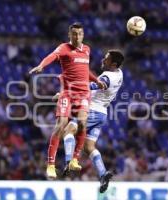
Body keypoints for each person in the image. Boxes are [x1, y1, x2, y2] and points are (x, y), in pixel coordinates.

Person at [29, 22, 106, 179]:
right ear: (69, 35)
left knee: (83, 124)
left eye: (79, 34)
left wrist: (96, 80)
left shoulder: (86, 49)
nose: (77, 36)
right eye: (74, 34)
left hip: (84, 92)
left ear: (83, 35)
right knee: (61, 125)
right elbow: (52, 56)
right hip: (68, 93)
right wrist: (42, 65)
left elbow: (85, 70)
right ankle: (51, 164)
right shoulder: (64, 48)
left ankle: (74, 159)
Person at [55, 49, 124, 193]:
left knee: (68, 131)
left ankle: (69, 161)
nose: (103, 60)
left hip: (92, 110)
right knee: (88, 146)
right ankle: (103, 173)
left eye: (106, 59)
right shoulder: (119, 73)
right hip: (102, 113)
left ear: (114, 64)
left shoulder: (107, 76)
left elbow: (95, 85)